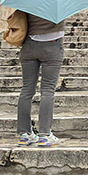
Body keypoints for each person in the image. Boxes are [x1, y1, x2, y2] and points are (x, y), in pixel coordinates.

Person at [17, 13, 65, 147]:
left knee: (26, 90)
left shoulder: (28, 0)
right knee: (48, 90)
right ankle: (44, 135)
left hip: (29, 46)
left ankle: (24, 134)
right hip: (52, 46)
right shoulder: (60, 1)